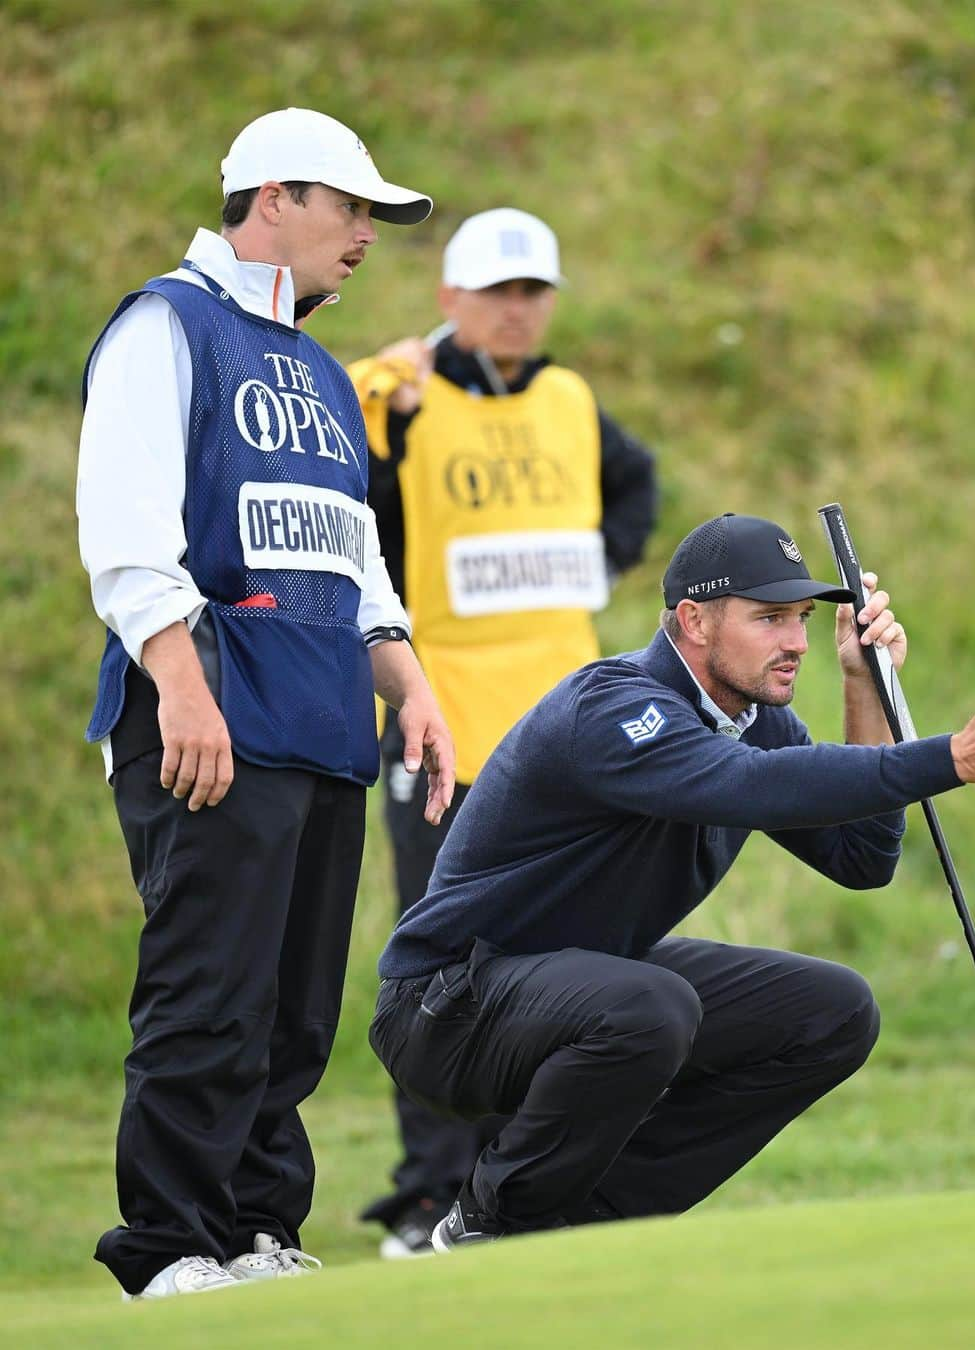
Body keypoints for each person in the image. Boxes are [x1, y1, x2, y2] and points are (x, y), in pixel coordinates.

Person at [368, 511, 975, 1249]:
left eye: (800, 618)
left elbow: (863, 858)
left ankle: (581, 1227)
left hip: (578, 986)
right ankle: (490, 1223)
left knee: (832, 1012)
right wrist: (950, 757)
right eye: (769, 618)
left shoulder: (751, 719)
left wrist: (863, 687)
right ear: (695, 621)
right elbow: (753, 785)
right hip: (445, 1008)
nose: (797, 642)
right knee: (651, 1006)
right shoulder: (614, 706)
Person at [76, 107, 455, 1300]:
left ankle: (251, 1231)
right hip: (211, 721)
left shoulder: (326, 373)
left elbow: (352, 560)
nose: (368, 238)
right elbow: (127, 534)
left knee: (292, 1013)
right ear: (278, 197)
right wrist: (181, 688)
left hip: (321, 727)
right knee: (209, 997)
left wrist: (412, 685)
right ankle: (168, 1247)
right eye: (353, 210)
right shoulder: (165, 326)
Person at [345, 208, 658, 1255]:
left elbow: (633, 483)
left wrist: (603, 562)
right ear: (450, 300)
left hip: (569, 731)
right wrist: (386, 398)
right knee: (441, 974)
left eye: (534, 293)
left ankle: (526, 1184)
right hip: (446, 722)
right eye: (497, 293)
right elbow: (352, 511)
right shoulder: (397, 395)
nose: (519, 311)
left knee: (572, 961)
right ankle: (432, 1193)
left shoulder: (570, 398)